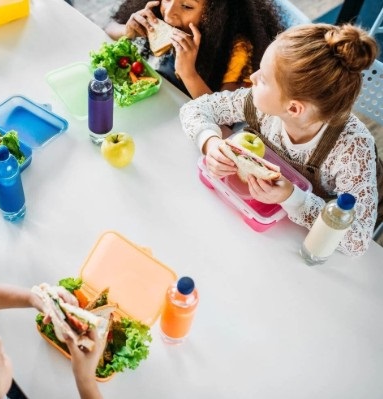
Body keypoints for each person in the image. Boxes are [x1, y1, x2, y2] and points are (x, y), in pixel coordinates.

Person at [180, 23, 383, 256]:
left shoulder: (352, 149)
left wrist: (293, 197)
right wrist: (211, 142)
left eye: (263, 79)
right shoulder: (257, 103)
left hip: (297, 240)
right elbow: (197, 109)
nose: (252, 77)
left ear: (294, 108)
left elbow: (357, 239)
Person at [104, 0, 284, 99]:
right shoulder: (156, 8)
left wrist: (188, 73)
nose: (168, 13)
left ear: (216, 13)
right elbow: (108, 28)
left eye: (187, 6)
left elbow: (224, 119)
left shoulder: (239, 49)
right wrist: (127, 31)